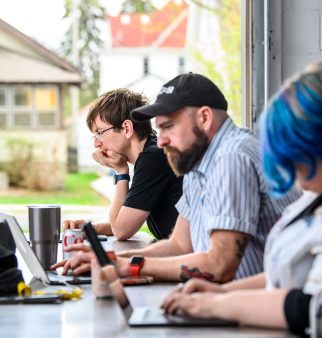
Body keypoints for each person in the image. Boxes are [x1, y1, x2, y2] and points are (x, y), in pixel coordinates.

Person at [55, 73, 302, 282]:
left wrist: (129, 267)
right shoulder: (197, 161)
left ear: (204, 119)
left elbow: (219, 266)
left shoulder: (232, 157)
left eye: (168, 127)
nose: (160, 140)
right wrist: (109, 259)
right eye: (159, 128)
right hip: (224, 295)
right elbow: (180, 246)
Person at [161, 64, 322, 338]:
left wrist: (217, 304)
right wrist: (222, 292)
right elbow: (282, 276)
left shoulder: (232, 157)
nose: (290, 167)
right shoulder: (310, 200)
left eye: (295, 150)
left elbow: (311, 306)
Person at [61, 88, 183, 241]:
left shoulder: (154, 158)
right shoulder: (152, 153)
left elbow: (121, 230)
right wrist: (88, 229)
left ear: (127, 128)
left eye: (100, 133)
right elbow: (123, 217)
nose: (96, 144)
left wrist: (120, 171)